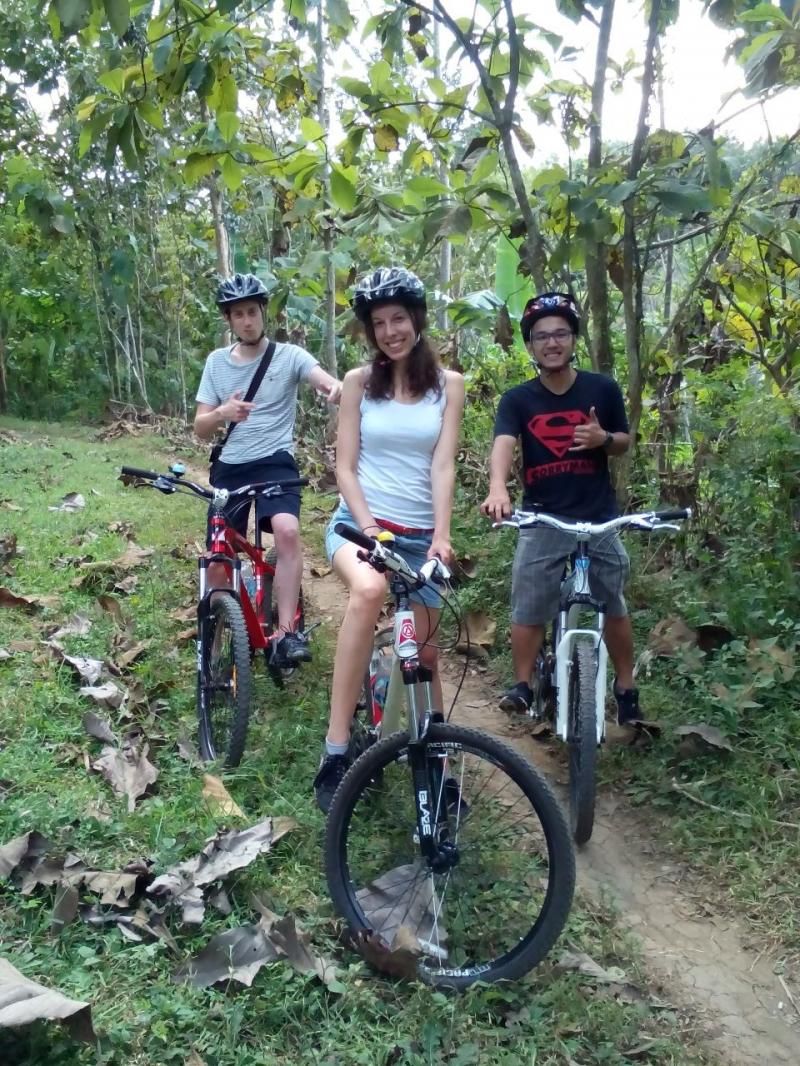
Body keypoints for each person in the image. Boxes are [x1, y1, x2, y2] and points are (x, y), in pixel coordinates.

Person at [313, 266, 465, 812]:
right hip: (358, 526)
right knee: (369, 594)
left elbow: (443, 464)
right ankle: (335, 751)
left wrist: (441, 536)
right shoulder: (357, 383)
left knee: (425, 652)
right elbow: (346, 467)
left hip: (420, 535)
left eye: (399, 318)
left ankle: (440, 767)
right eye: (379, 323)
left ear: (417, 321)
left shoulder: (449, 386)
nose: (390, 331)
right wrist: (371, 526)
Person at [480, 291, 642, 725]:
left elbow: (624, 441)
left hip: (599, 515)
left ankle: (626, 688)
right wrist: (498, 488)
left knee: (613, 603)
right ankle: (521, 684)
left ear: (574, 339)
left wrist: (602, 439)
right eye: (541, 336)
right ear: (530, 345)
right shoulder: (518, 399)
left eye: (560, 334)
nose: (552, 343)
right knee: (529, 602)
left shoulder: (601, 389)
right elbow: (503, 444)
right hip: (543, 515)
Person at [194, 273, 341, 669]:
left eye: (252, 312)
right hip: (231, 466)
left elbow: (326, 383)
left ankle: (286, 632)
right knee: (221, 553)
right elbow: (200, 425)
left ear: (264, 313)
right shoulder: (216, 364)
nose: (247, 320)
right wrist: (224, 411)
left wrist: (343, 390)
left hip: (276, 461)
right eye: (238, 314)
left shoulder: (289, 356)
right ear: (229, 320)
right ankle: (219, 629)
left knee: (288, 532)